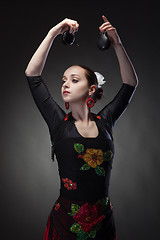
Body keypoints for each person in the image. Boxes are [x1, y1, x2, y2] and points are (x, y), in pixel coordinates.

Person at [25, 15, 138, 240]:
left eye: (74, 80)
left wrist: (117, 44)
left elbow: (130, 84)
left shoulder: (105, 121)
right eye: (64, 80)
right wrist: (53, 33)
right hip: (67, 221)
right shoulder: (58, 122)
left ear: (91, 89)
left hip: (103, 221)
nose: (66, 84)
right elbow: (33, 75)